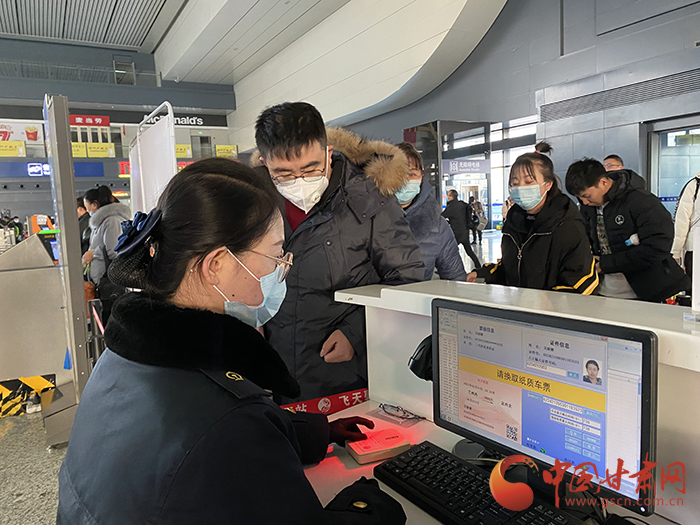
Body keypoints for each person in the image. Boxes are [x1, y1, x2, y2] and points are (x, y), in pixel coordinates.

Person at [57, 159, 406, 525]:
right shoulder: (228, 418)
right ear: (217, 265)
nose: (282, 267)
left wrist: (315, 432)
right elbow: (223, 436)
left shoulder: (126, 357)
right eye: (275, 254)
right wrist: (370, 506)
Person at [253, 102, 425, 403]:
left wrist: (355, 334)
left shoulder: (370, 200)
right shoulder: (254, 200)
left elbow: (407, 279)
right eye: (284, 174)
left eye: (310, 169)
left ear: (328, 153)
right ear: (265, 164)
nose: (299, 182)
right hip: (272, 369)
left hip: (343, 374)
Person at [469, 152, 598, 294]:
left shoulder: (567, 225)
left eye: (529, 182)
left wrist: (547, 301)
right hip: (519, 304)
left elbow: (582, 281)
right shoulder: (513, 222)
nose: (520, 187)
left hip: (551, 307)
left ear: (548, 184)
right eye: (515, 183)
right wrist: (484, 274)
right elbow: (510, 269)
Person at [565, 158, 689, 302]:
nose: (585, 202)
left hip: (650, 290)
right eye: (580, 198)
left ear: (603, 182)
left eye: (587, 196)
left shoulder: (642, 201)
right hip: (602, 291)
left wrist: (605, 264)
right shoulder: (588, 208)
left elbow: (658, 247)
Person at [394, 142, 466, 281]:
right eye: (398, 174)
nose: (405, 180)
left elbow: (455, 277)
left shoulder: (436, 225)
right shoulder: (366, 217)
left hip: (416, 295)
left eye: (412, 174)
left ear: (422, 176)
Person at [82, 186, 131, 284]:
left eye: (87, 208)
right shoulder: (99, 224)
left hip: (109, 281)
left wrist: (93, 253)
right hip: (101, 280)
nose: (87, 211)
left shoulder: (112, 221)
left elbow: (114, 251)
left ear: (94, 204)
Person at [442, 190, 481, 270]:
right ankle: (478, 266)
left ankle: (446, 269)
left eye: (448, 196)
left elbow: (442, 216)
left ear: (451, 197)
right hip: (465, 231)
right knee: (469, 251)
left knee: (448, 251)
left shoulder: (451, 207)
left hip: (456, 233)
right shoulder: (462, 204)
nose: (447, 197)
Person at [671, 171, 700, 279]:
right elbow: (681, 221)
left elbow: (682, 221)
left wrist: (675, 252)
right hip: (695, 249)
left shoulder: (694, 185)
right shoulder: (695, 185)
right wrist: (675, 251)